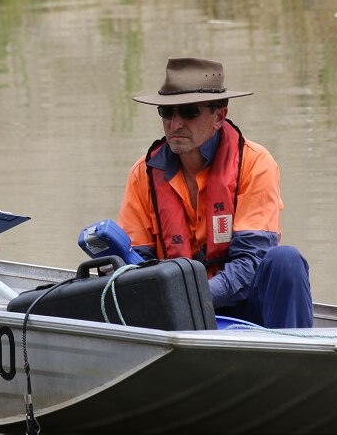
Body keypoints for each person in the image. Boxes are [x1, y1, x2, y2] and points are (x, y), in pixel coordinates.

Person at [117, 57, 312, 328]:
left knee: (286, 261)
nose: (175, 124)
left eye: (189, 112)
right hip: (176, 315)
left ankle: (293, 358)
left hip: (246, 307)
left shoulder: (255, 163)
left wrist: (192, 295)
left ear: (220, 116)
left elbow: (252, 262)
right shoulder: (144, 173)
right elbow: (136, 264)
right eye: (166, 112)